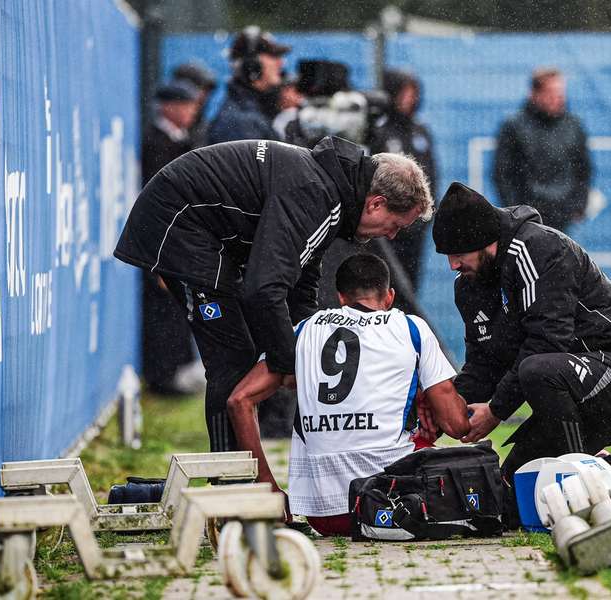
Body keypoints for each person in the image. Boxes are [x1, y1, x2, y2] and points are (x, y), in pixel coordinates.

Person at [114, 136, 433, 480]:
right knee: (233, 358)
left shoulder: (332, 194)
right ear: (376, 203)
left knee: (245, 351)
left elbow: (301, 284)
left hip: (206, 228)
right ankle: (231, 486)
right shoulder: (316, 193)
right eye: (396, 225)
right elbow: (264, 290)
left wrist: (312, 348)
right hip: (178, 222)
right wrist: (290, 363)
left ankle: (236, 480)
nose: (392, 236)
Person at [431, 182, 611, 484]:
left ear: (485, 240)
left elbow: (547, 342)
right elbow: (484, 363)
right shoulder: (469, 285)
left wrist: (496, 411)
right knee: (511, 491)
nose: (452, 265)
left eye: (459, 253)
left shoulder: (540, 249)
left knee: (537, 368)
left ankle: (581, 482)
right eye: (447, 255)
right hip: (565, 385)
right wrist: (444, 410)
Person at [227, 254, 469, 535]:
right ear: (389, 296)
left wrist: (266, 484)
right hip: (392, 502)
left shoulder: (304, 330)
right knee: (433, 442)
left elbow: (239, 400)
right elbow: (456, 425)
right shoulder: (410, 327)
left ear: (341, 297)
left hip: (326, 516)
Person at [140, 81, 201, 395]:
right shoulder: (155, 143)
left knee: (177, 307)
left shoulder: (182, 141)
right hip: (162, 239)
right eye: (186, 105)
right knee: (162, 308)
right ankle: (162, 375)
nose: (192, 112)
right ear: (168, 106)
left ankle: (175, 369)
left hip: (180, 237)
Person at [368, 69, 438, 308]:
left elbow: (431, 178)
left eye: (414, 93)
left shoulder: (421, 132)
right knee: (384, 283)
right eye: (405, 93)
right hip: (385, 232)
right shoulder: (378, 132)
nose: (410, 99)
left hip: (415, 230)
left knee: (409, 287)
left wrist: (423, 219)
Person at [493, 67, 591, 232]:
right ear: (534, 93)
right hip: (527, 217)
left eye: (561, 92)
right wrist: (515, 211)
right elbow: (503, 173)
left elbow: (583, 169)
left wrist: (578, 204)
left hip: (562, 215)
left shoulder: (574, 126)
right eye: (552, 92)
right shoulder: (514, 126)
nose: (558, 98)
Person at [208, 26, 289, 144]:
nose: (280, 62)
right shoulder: (240, 122)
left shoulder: (253, 111)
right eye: (273, 56)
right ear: (252, 65)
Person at [171, 62, 217, 148]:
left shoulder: (204, 127)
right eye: (200, 88)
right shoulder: (164, 131)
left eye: (207, 90)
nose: (203, 96)